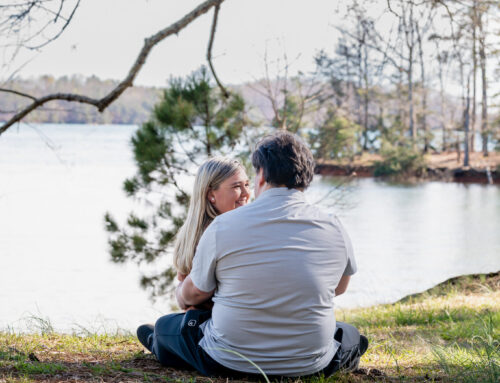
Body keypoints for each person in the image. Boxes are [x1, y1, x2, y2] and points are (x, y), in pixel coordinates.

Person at [137, 131, 368, 377]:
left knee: (164, 328)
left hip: (229, 360)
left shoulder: (223, 225)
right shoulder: (334, 225)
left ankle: (161, 343)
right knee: (349, 335)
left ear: (261, 175)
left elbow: (197, 291)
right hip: (311, 363)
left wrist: (181, 296)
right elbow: (339, 288)